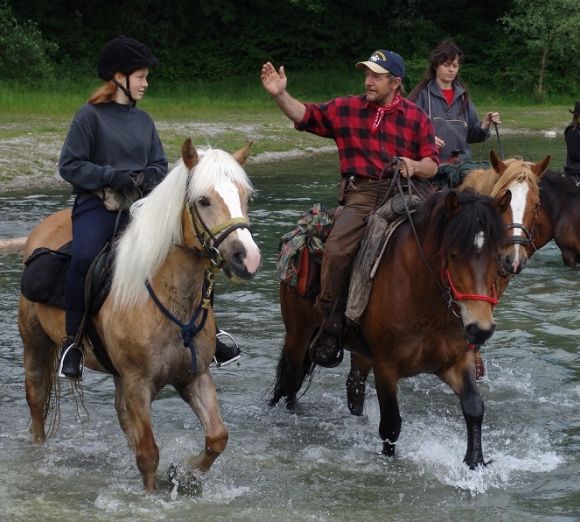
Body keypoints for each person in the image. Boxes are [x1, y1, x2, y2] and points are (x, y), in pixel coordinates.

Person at [56, 36, 239, 380]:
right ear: (118, 77)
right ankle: (73, 342)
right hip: (99, 207)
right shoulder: (89, 116)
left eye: (145, 77)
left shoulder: (144, 121)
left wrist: (149, 176)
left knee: (195, 253)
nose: (145, 83)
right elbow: (69, 166)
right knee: (83, 257)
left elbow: (159, 164)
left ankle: (211, 334)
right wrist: (112, 176)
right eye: (140, 76)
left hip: (141, 208)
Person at [260, 49, 439, 367]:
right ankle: (330, 324)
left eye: (376, 76)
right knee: (338, 248)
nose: (368, 81)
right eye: (366, 75)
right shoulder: (347, 108)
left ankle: (455, 323)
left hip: (410, 191)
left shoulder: (416, 116)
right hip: (364, 193)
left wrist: (414, 165)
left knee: (447, 239)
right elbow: (306, 116)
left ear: (395, 82)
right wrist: (280, 94)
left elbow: (432, 164)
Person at [408, 39, 500, 187]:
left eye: (455, 65)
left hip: (463, 170)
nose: (451, 69)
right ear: (435, 65)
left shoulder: (463, 97)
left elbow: (471, 135)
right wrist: (426, 140)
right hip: (431, 171)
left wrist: (484, 125)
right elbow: (405, 133)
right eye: (447, 65)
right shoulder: (421, 96)